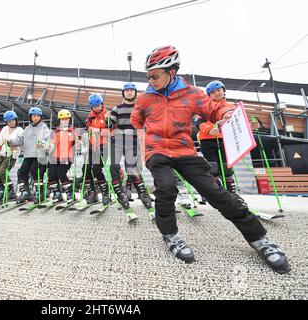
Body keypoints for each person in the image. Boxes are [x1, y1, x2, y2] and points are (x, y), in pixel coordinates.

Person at [131, 45, 290, 274]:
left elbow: (215, 109)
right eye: (148, 75)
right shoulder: (145, 98)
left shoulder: (192, 94)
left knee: (217, 193)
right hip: (157, 151)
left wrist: (226, 115)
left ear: (172, 71)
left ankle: (260, 239)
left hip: (184, 151)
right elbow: (137, 121)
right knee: (166, 189)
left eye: (155, 75)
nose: (150, 79)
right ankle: (170, 235)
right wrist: (146, 139)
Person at [109, 82, 153, 210]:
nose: (129, 92)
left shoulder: (139, 108)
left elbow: (146, 122)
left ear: (135, 93)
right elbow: (111, 124)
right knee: (114, 166)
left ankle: (143, 193)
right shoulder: (117, 108)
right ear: (123, 93)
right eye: (126, 90)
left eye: (131, 90)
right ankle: (120, 194)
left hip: (132, 140)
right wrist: (107, 121)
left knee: (131, 168)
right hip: (117, 140)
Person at [194, 80, 236, 193]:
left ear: (223, 90)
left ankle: (232, 193)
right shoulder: (204, 107)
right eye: (213, 92)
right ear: (209, 95)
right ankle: (217, 192)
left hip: (224, 139)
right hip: (207, 140)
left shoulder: (230, 106)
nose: (217, 93)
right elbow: (199, 122)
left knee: (226, 166)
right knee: (212, 167)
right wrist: (209, 130)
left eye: (219, 90)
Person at [11, 107, 50, 204]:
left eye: (37, 116)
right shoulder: (27, 129)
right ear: (30, 117)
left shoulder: (44, 127)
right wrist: (10, 142)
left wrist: (42, 144)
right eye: (34, 116)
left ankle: (40, 192)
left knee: (34, 171)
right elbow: (20, 140)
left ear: (40, 117)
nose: (36, 118)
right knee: (21, 172)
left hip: (39, 155)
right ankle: (25, 192)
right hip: (28, 155)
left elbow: (47, 138)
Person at [0, 110, 24, 202]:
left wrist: (13, 144)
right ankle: (2, 190)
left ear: (16, 120)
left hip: (12, 155)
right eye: (9, 121)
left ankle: (10, 190)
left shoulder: (20, 130)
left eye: (13, 120)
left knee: (2, 172)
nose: (11, 122)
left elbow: (20, 142)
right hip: (3, 154)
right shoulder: (5, 129)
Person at [83, 93, 111, 205]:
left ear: (101, 104)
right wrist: (88, 128)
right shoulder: (90, 116)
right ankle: (92, 193)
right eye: (94, 106)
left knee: (97, 168)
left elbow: (111, 131)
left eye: (98, 105)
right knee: (86, 168)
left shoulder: (107, 115)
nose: (96, 108)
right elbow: (88, 128)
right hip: (92, 145)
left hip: (103, 145)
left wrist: (97, 131)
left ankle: (105, 193)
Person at [47, 109, 79, 202]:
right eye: (62, 119)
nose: (65, 121)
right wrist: (47, 150)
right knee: (51, 174)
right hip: (54, 156)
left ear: (69, 119)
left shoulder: (73, 131)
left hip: (67, 157)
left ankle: (69, 193)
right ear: (59, 120)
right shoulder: (55, 132)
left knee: (61, 173)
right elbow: (52, 145)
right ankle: (57, 193)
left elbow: (77, 142)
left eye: (66, 119)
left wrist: (78, 144)